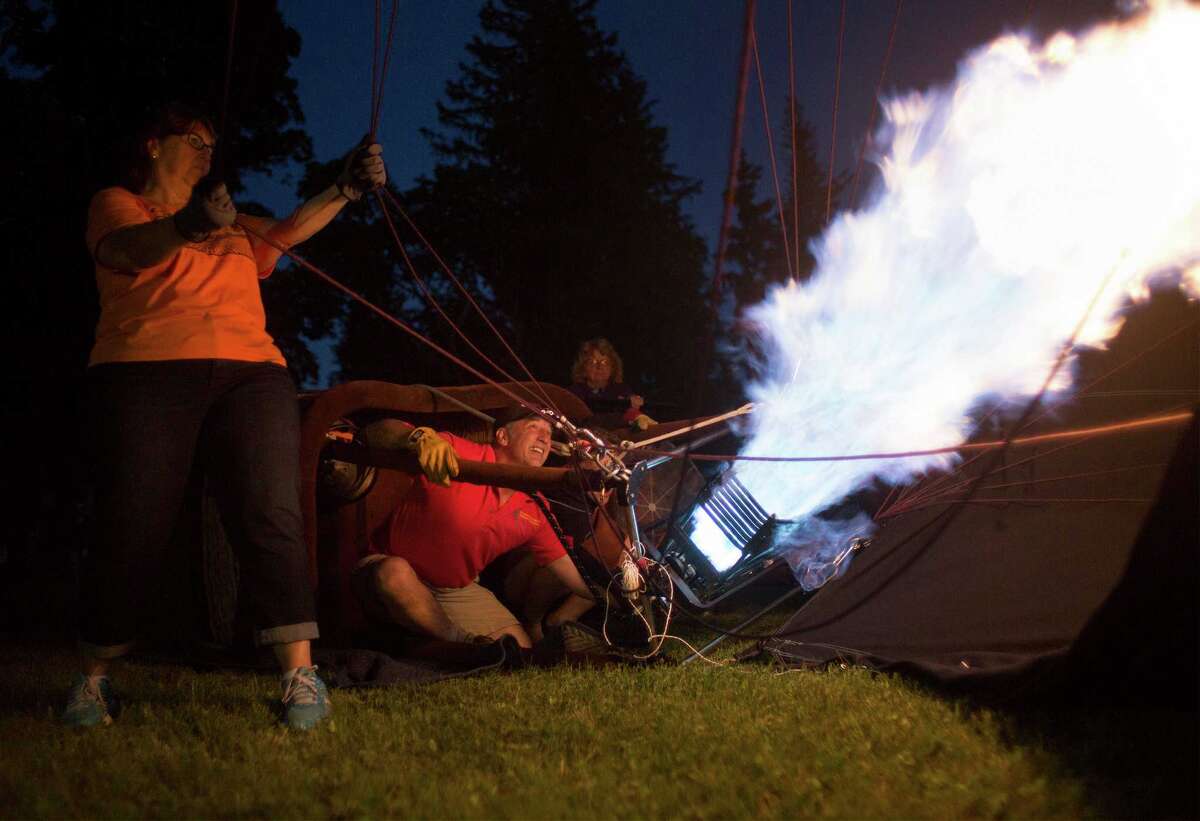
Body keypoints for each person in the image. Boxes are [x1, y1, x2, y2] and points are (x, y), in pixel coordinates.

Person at [66, 101, 386, 730]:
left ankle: (299, 672)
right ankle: (94, 678)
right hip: (145, 369)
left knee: (271, 510)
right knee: (135, 518)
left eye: (213, 145)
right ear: (155, 145)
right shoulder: (119, 203)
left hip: (250, 371)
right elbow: (130, 250)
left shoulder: (234, 223)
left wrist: (344, 188)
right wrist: (188, 225)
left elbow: (290, 230)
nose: (207, 152)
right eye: (194, 140)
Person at [353, 407, 595, 648]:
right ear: (502, 437)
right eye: (533, 427)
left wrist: (619, 597)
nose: (544, 438)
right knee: (394, 572)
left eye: (549, 433)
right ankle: (462, 645)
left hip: (454, 591)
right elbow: (375, 432)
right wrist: (415, 437)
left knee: (521, 651)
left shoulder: (535, 507)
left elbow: (571, 570)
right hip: (385, 570)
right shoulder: (456, 451)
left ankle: (456, 642)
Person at [567, 338, 656, 431]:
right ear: (583, 367)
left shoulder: (622, 390)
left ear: (612, 366)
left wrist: (636, 409)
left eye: (604, 362)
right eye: (592, 362)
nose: (599, 367)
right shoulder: (572, 394)